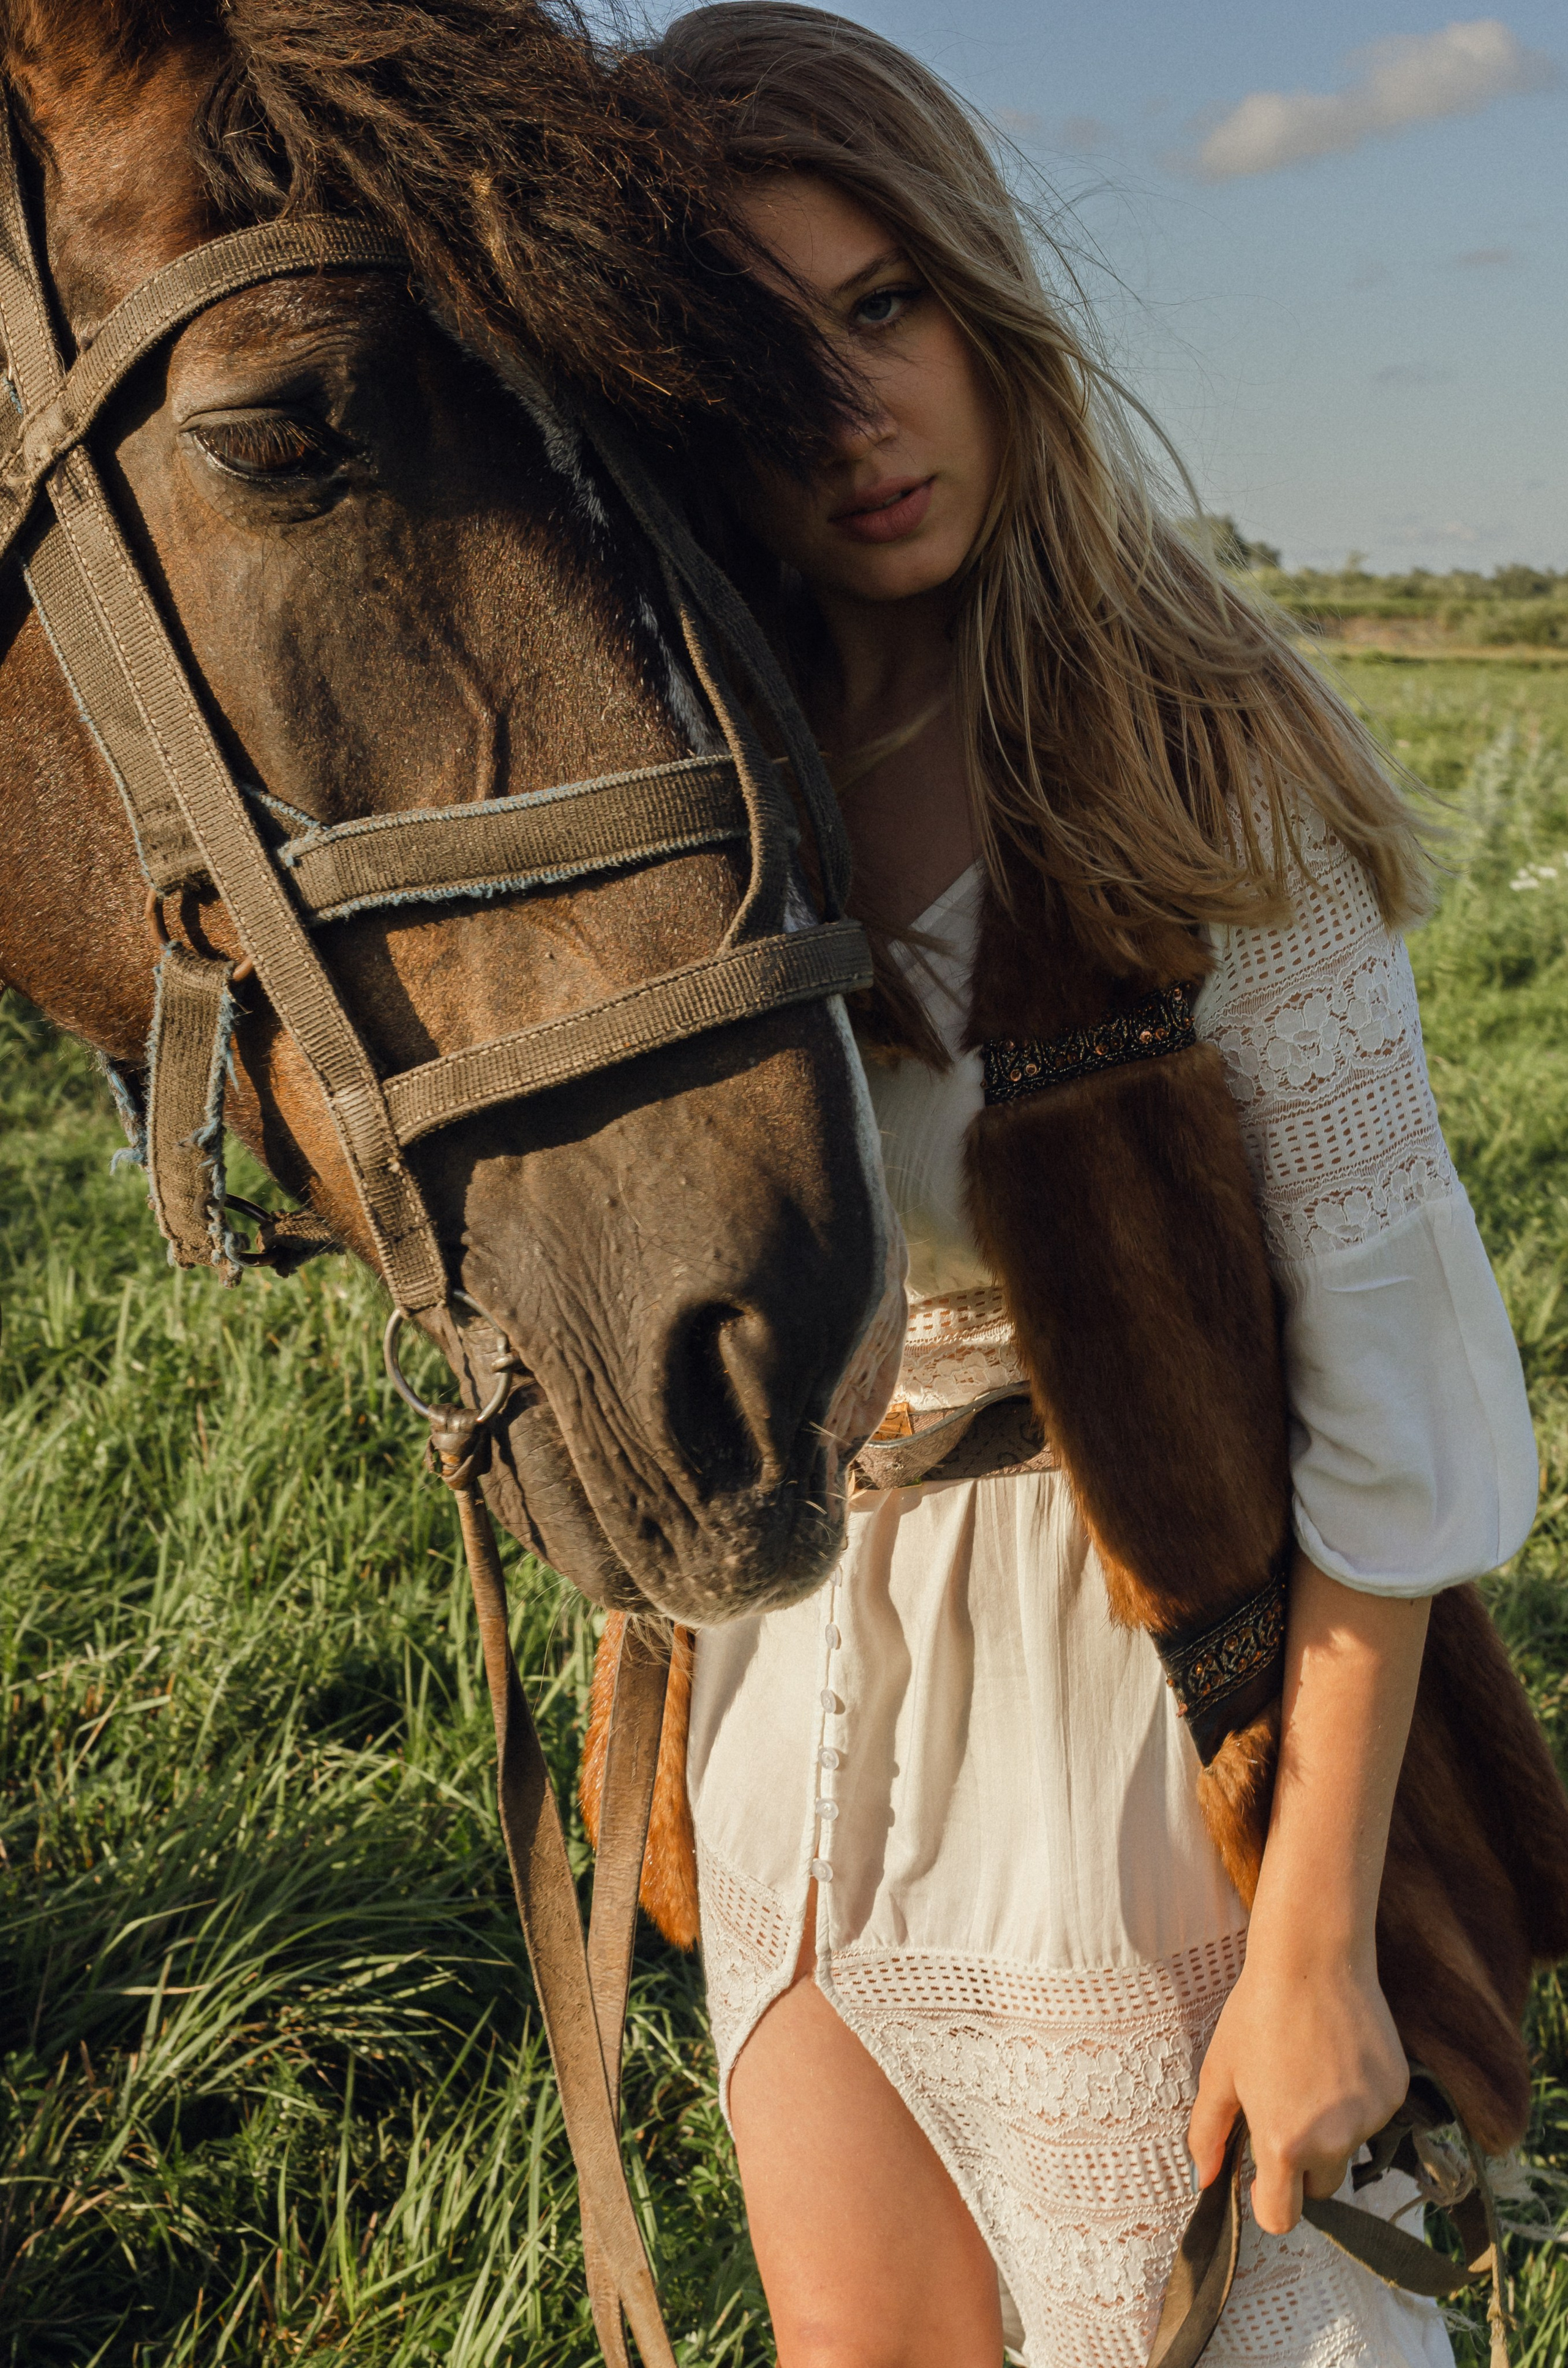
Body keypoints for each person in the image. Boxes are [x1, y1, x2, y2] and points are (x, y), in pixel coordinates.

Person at [637, 9, 1547, 2361]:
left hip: (1140, 1743)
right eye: (763, 364)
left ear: (982, 299)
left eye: (884, 308)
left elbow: (1390, 1417)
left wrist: (1316, 1942)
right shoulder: (703, 778)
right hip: (788, 1708)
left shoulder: (1193, 754)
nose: (852, 422)